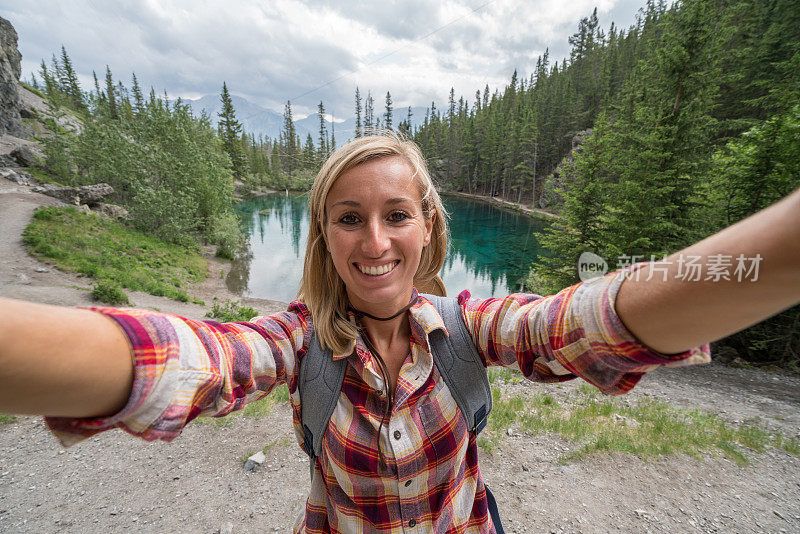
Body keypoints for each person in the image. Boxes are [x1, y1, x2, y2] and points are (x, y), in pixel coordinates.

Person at [0, 133, 799, 533]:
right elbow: (197, 357)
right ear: (325, 237)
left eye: (396, 215)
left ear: (428, 229)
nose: (374, 242)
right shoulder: (294, 340)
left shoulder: (468, 327)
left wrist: (777, 257)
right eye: (349, 219)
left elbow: (585, 321)